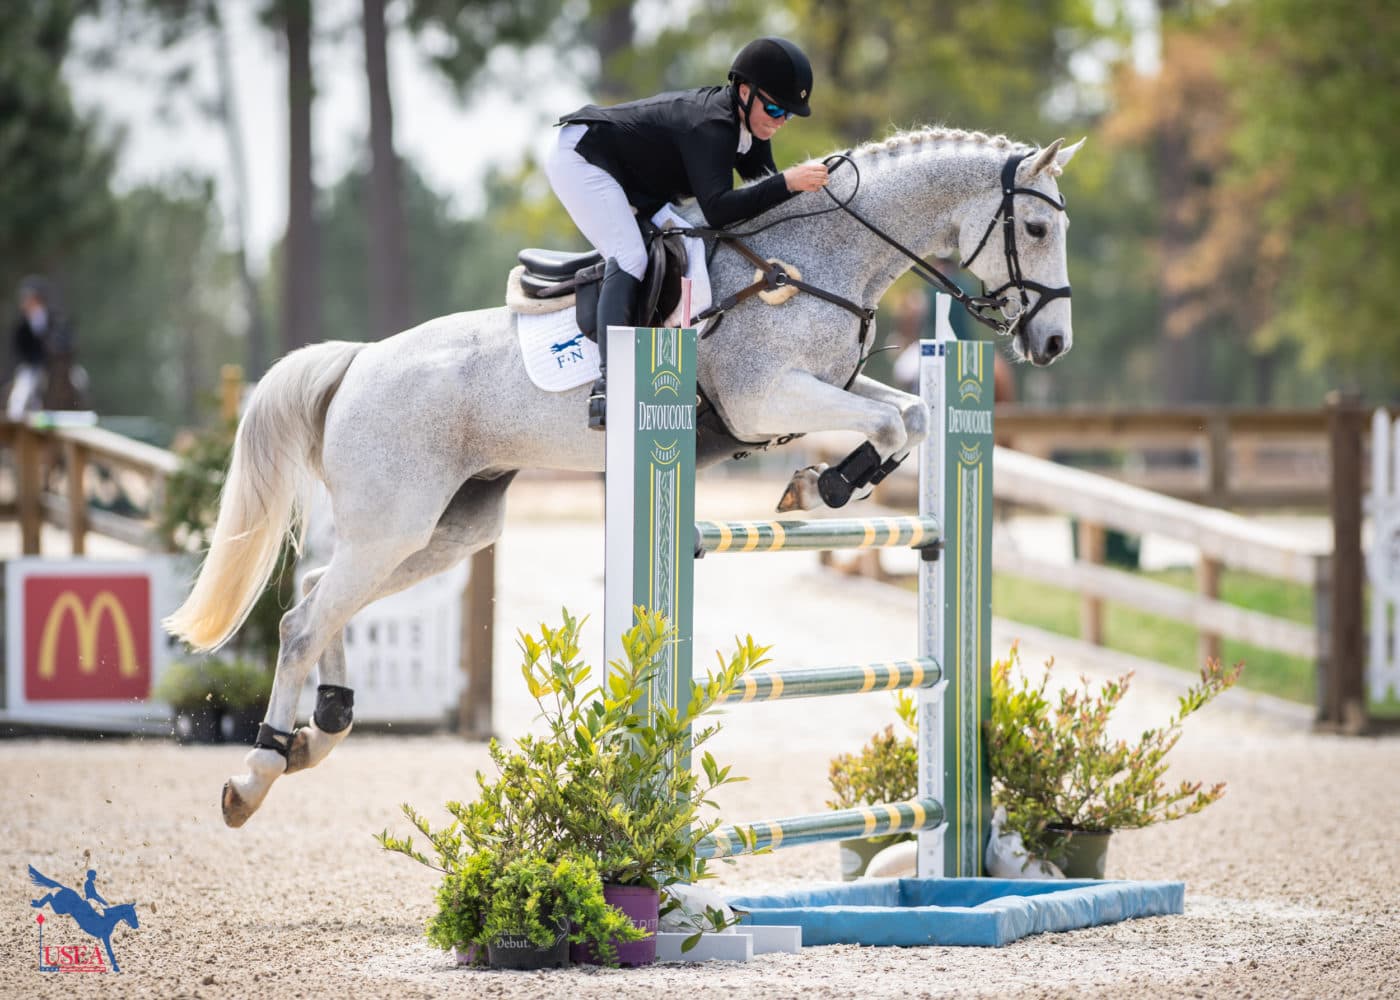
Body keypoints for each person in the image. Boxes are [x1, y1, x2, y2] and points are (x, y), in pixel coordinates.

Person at [545, 36, 830, 429]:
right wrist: (788, 183)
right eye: (776, 108)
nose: (780, 121)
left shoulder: (751, 130)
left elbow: (762, 204)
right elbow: (719, 210)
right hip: (585, 157)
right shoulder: (712, 126)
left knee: (683, 242)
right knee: (630, 255)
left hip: (635, 179)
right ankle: (609, 384)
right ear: (745, 93)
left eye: (790, 115)